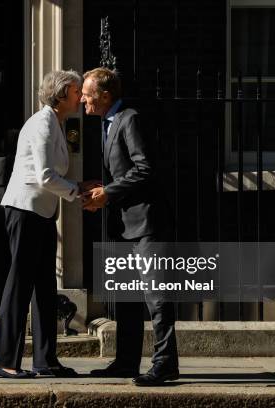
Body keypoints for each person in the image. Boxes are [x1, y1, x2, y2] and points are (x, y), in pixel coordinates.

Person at [0, 70, 93, 379]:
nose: (80, 96)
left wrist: (79, 185)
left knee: (46, 289)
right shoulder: (43, 123)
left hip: (42, 214)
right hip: (25, 210)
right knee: (20, 285)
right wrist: (78, 192)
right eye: (76, 92)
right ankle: (3, 361)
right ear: (61, 96)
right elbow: (46, 176)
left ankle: (46, 360)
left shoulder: (56, 123)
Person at [81, 67, 179, 386]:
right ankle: (126, 361)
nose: (82, 100)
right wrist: (102, 187)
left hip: (146, 222)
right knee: (126, 296)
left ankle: (164, 364)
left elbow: (145, 169)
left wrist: (108, 193)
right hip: (124, 225)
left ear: (105, 95)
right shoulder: (108, 123)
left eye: (87, 94)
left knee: (157, 297)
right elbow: (123, 171)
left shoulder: (130, 118)